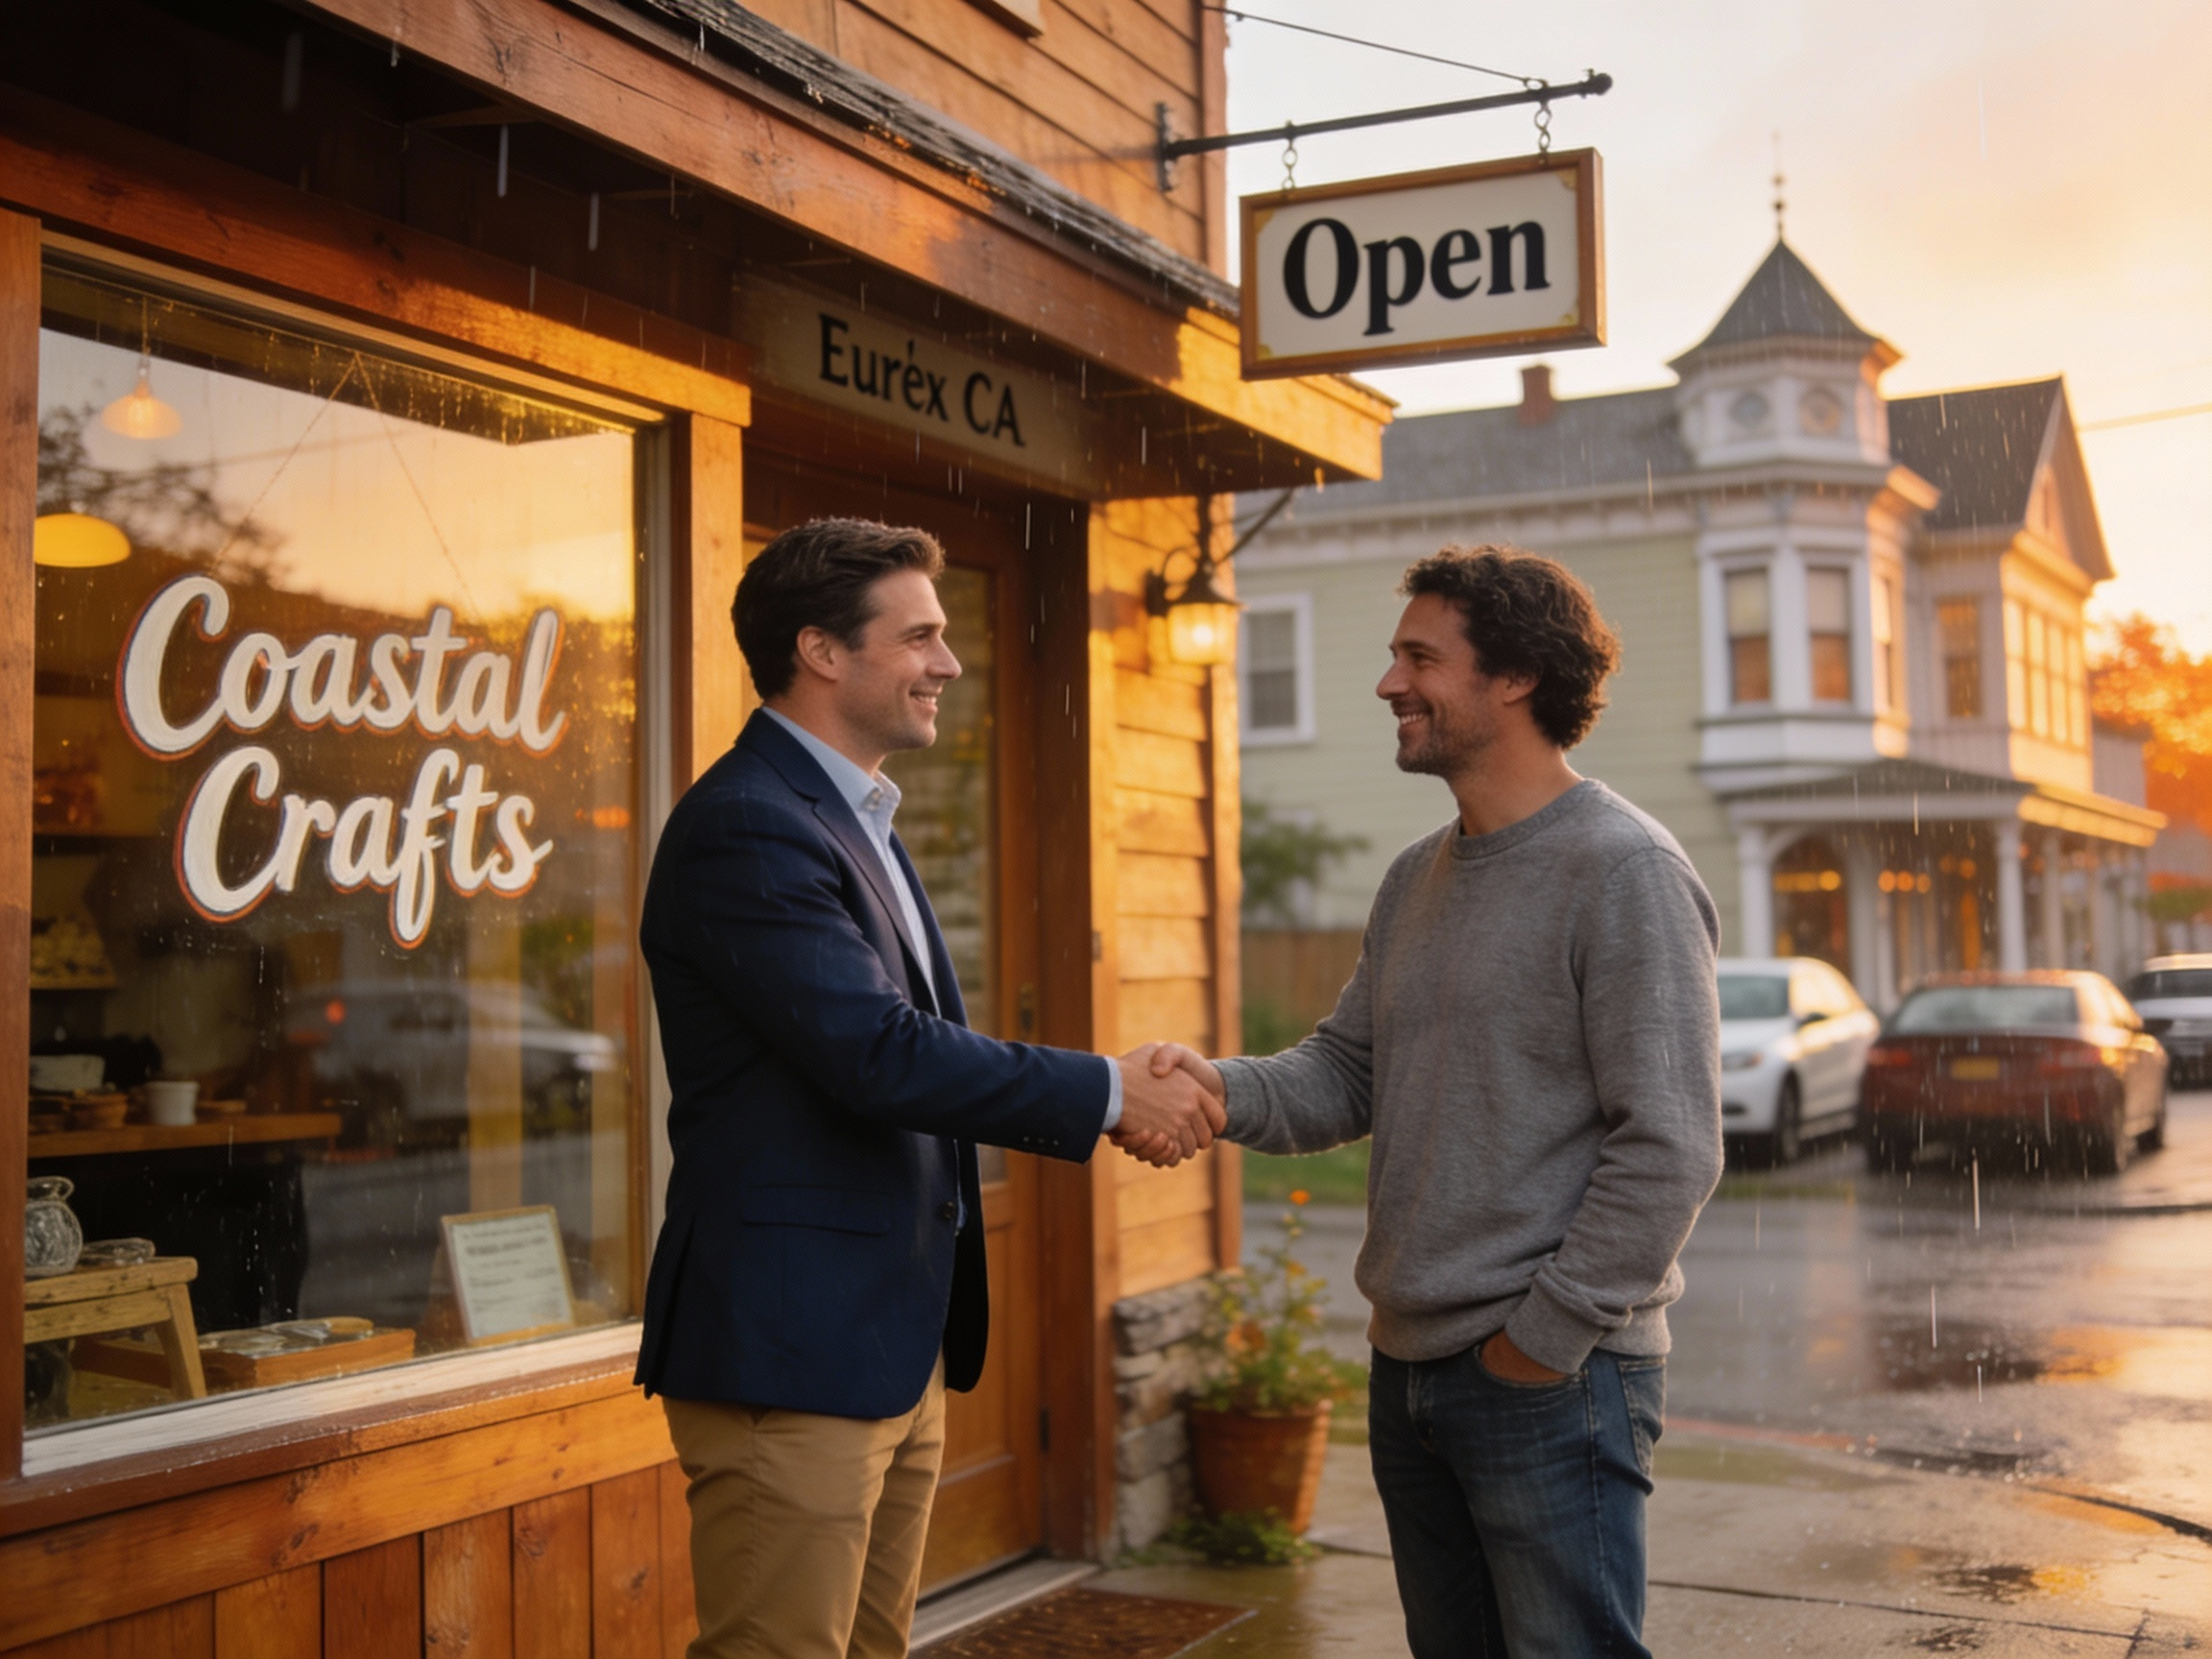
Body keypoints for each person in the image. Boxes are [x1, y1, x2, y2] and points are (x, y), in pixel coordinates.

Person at [637, 517, 1223, 1659]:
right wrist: (1112, 1092)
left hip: (883, 1347)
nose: (949, 664)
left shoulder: (854, 816)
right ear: (821, 651)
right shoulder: (749, 827)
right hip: (788, 1351)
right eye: (920, 637)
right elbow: (880, 1053)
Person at [1139, 545, 1723, 1659]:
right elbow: (1347, 1073)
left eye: (1420, 656)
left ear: (1514, 678)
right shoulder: (1420, 874)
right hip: (1411, 1371)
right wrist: (1215, 1088)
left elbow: (1672, 1148)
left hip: (1552, 1378)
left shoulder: (1622, 869)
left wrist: (1536, 1346)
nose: (1389, 684)